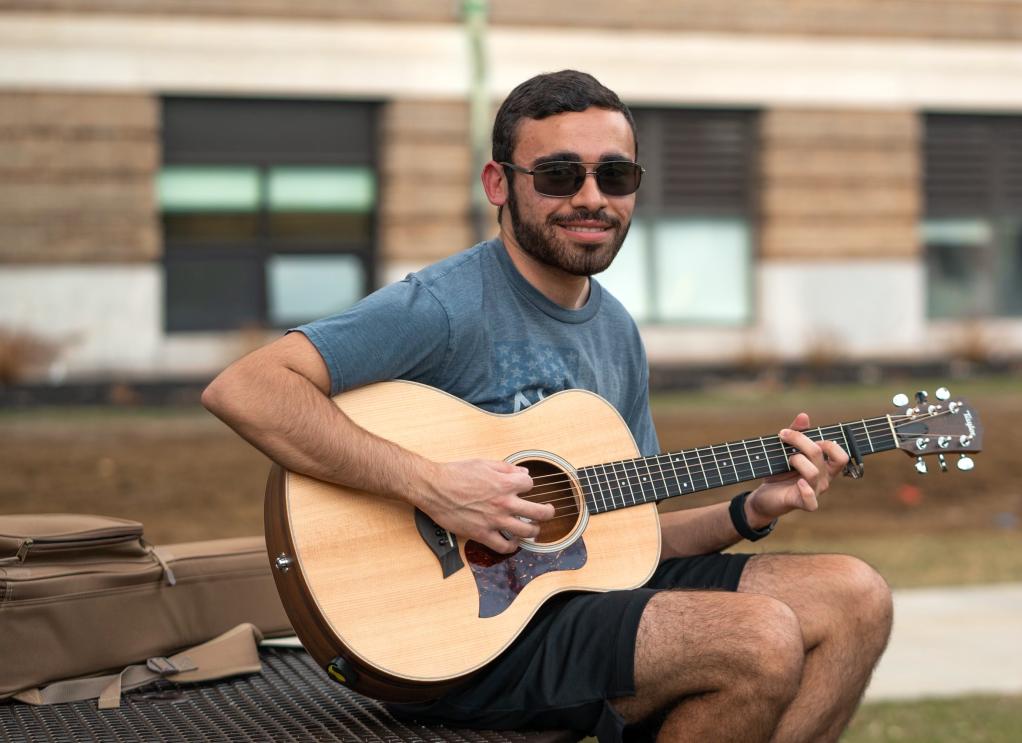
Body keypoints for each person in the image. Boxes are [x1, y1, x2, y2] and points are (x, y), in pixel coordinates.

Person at [202, 69, 892, 743]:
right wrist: (433, 485)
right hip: (462, 635)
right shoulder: (446, 304)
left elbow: (631, 538)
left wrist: (751, 509)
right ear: (499, 183)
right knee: (757, 638)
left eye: (614, 175)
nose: (591, 197)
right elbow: (247, 388)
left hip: (570, 602)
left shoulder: (616, 329)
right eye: (560, 175)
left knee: (855, 597)